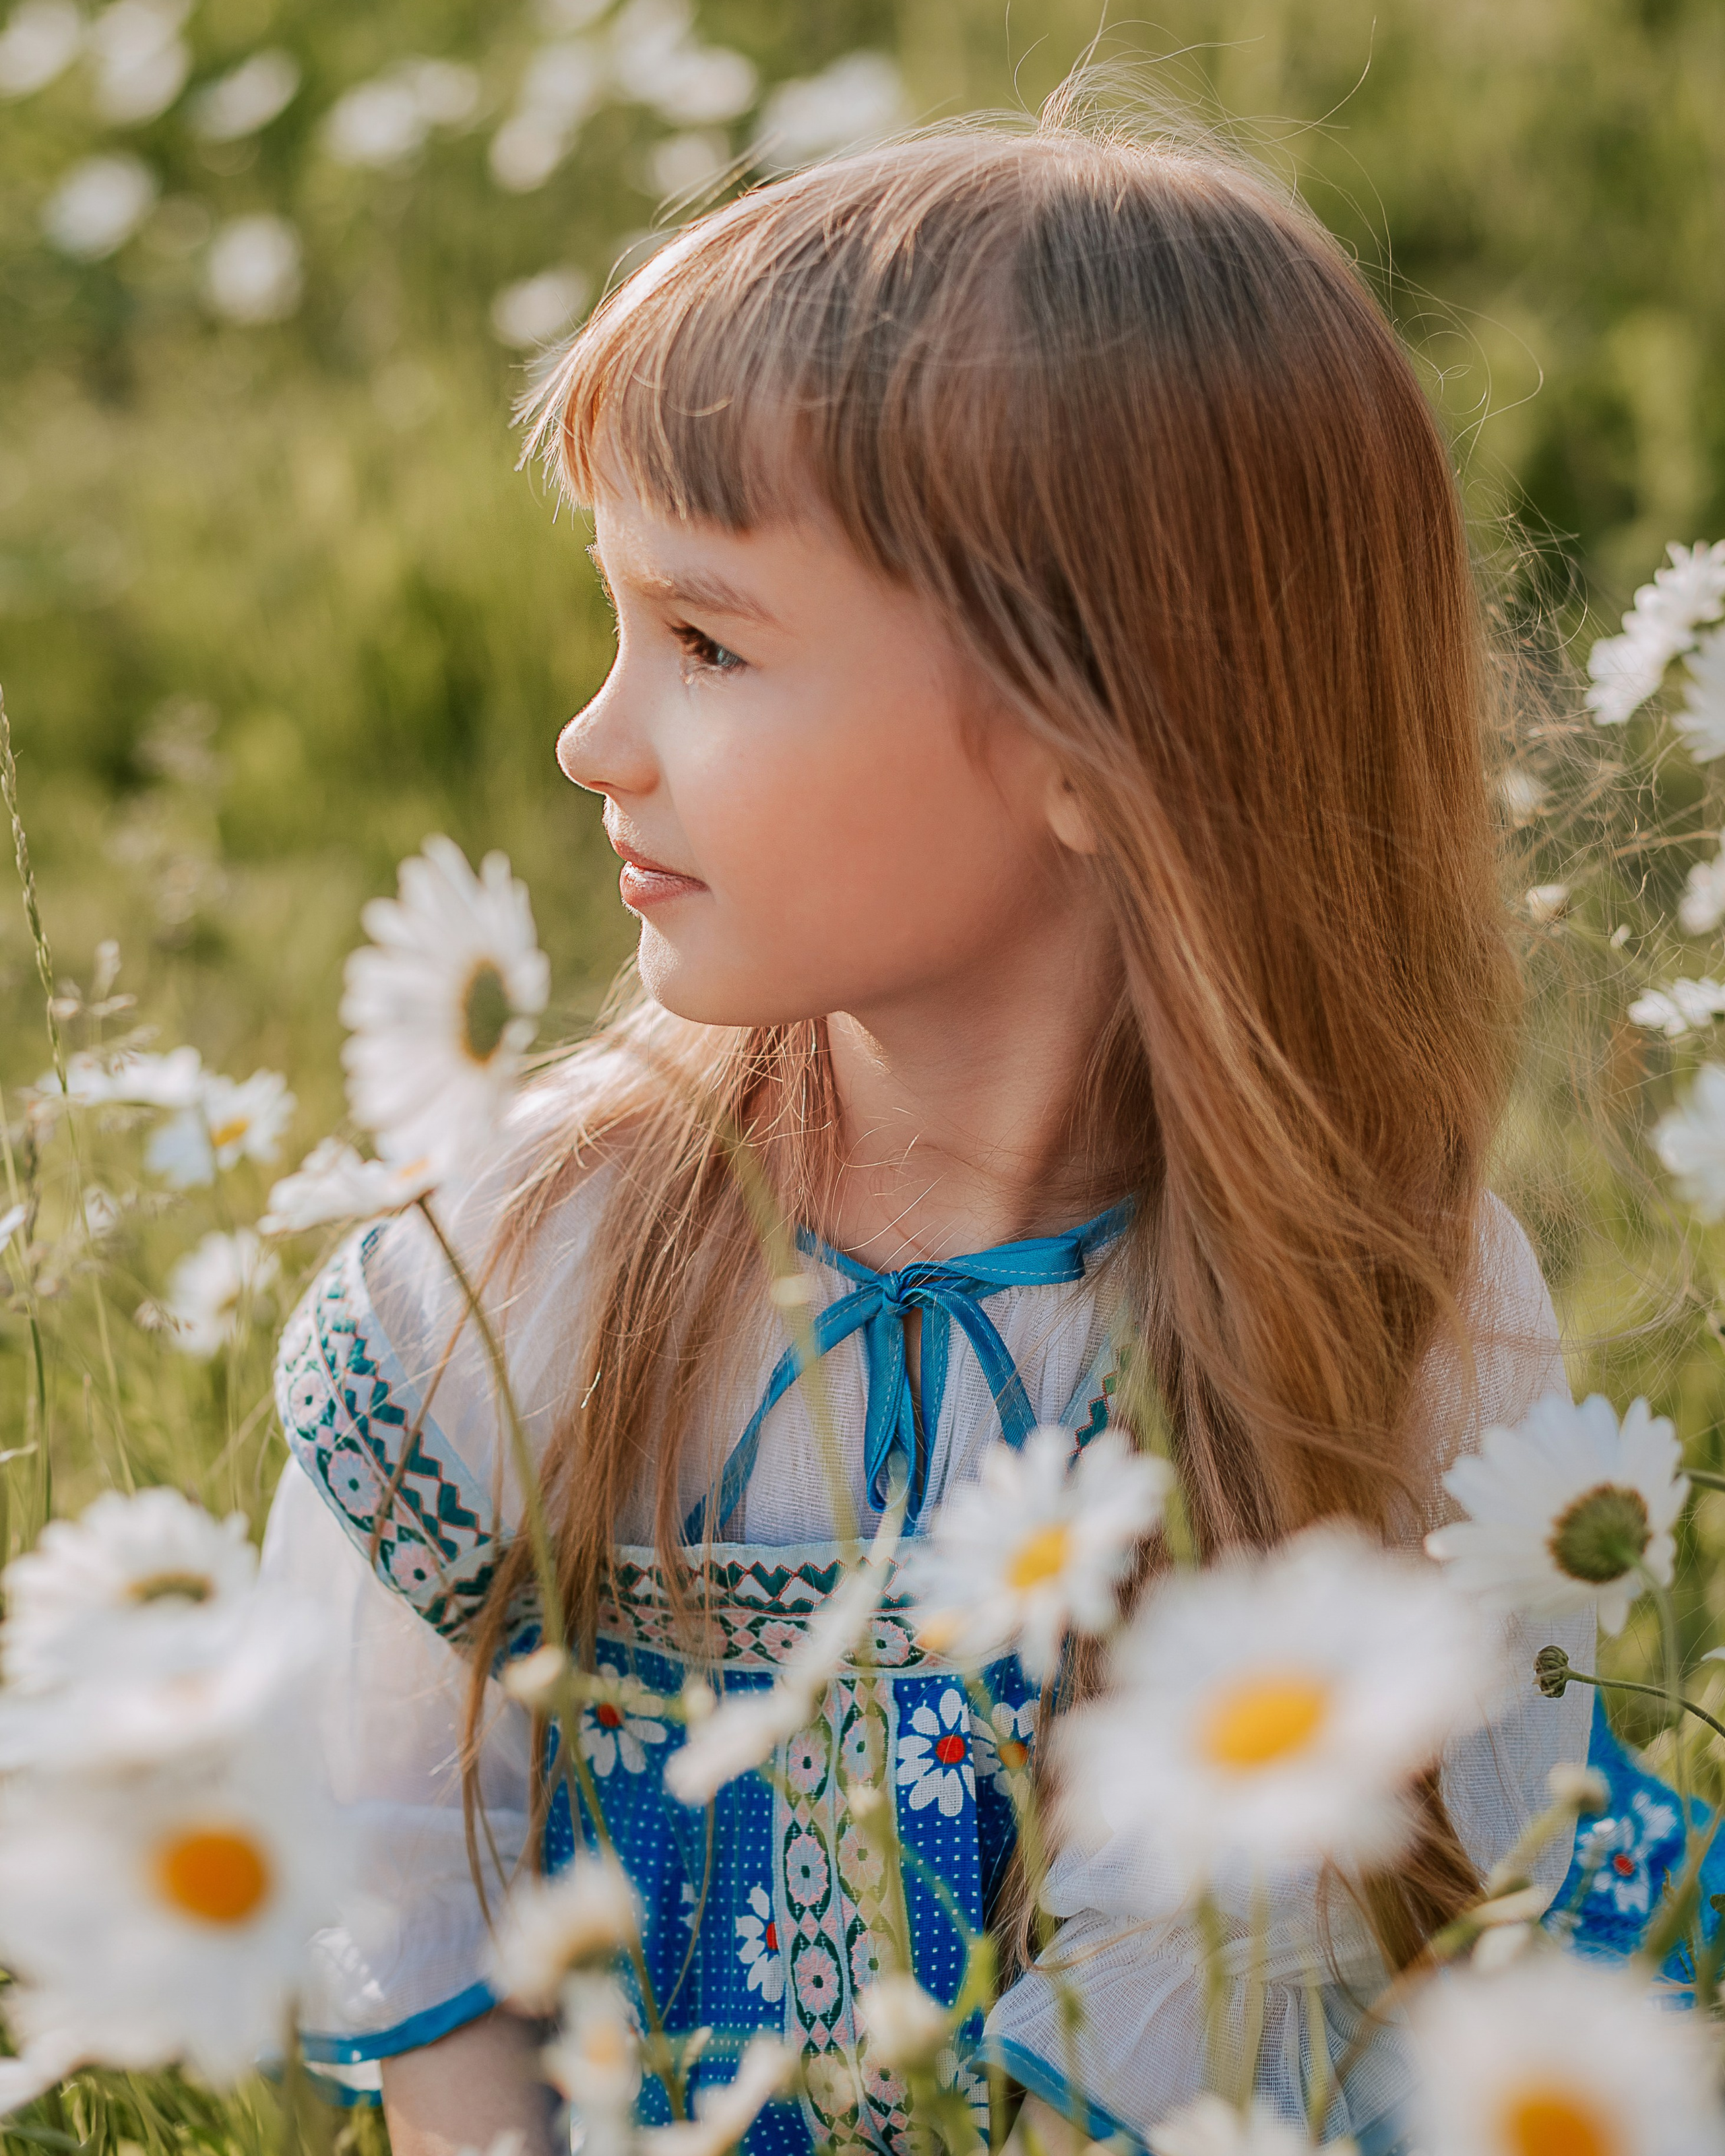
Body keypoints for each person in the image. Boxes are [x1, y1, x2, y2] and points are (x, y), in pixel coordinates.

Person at [261, 94, 1594, 2156]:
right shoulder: (565, 1231)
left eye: (706, 642)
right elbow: (373, 1788)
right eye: (617, 624)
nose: (591, 738)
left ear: (1097, 735)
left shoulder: (1378, 1300)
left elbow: (1280, 1977)